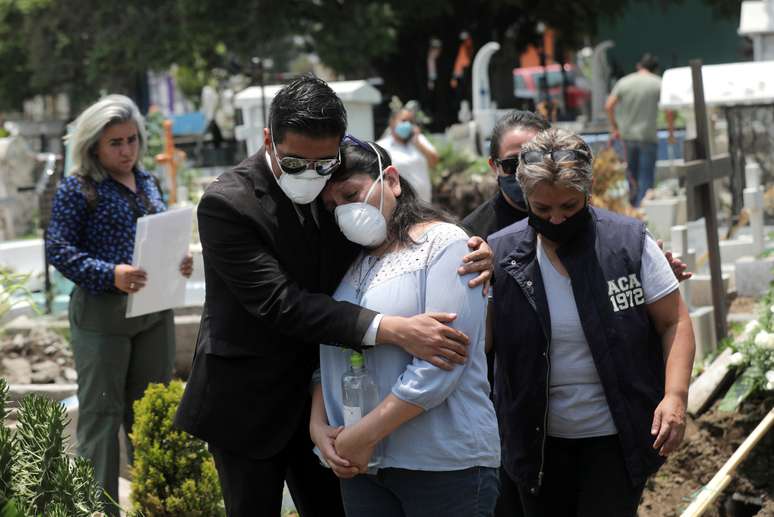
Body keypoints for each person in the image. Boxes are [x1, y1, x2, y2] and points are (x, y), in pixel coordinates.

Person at [173, 76, 493, 517]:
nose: (311, 175)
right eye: (295, 162)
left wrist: (475, 245)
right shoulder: (228, 204)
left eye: (323, 163)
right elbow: (279, 303)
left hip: (334, 402)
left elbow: (392, 233)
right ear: (269, 139)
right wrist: (393, 330)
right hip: (249, 403)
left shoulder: (338, 186)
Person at [488, 128, 696, 516]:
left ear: (589, 191)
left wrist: (675, 397)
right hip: (537, 444)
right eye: (543, 210)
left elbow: (674, 322)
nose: (556, 219)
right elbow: (481, 345)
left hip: (616, 438)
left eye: (569, 206)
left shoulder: (628, 243)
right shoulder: (500, 255)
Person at [310, 139, 500, 517]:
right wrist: (319, 427)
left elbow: (442, 361)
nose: (344, 211)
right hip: (363, 468)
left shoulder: (445, 245)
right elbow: (328, 346)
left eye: (351, 193)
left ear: (392, 180)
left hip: (444, 465)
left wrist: (362, 436)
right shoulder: (346, 263)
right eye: (332, 206)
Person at [45, 94, 193, 515]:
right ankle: (99, 509)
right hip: (102, 316)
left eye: (131, 140)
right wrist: (109, 273)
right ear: (94, 145)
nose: (127, 150)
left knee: (152, 413)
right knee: (101, 416)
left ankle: (156, 505)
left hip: (153, 311)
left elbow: (157, 235)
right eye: (116, 143)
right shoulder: (79, 188)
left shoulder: (148, 181)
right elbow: (58, 248)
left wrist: (177, 261)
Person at [605, 53, 674, 206]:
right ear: (655, 69)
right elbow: (669, 111)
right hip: (648, 137)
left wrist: (615, 127)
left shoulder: (624, 82)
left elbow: (609, 105)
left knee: (631, 178)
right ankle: (644, 214)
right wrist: (670, 133)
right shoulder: (658, 83)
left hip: (627, 137)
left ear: (639, 66)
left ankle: (631, 210)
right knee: (646, 179)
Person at [377, 106, 438, 203]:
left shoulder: (419, 140)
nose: (408, 124)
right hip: (402, 206)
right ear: (392, 122)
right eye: (404, 120)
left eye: (411, 122)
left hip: (425, 204)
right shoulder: (382, 147)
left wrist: (418, 143)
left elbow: (434, 161)